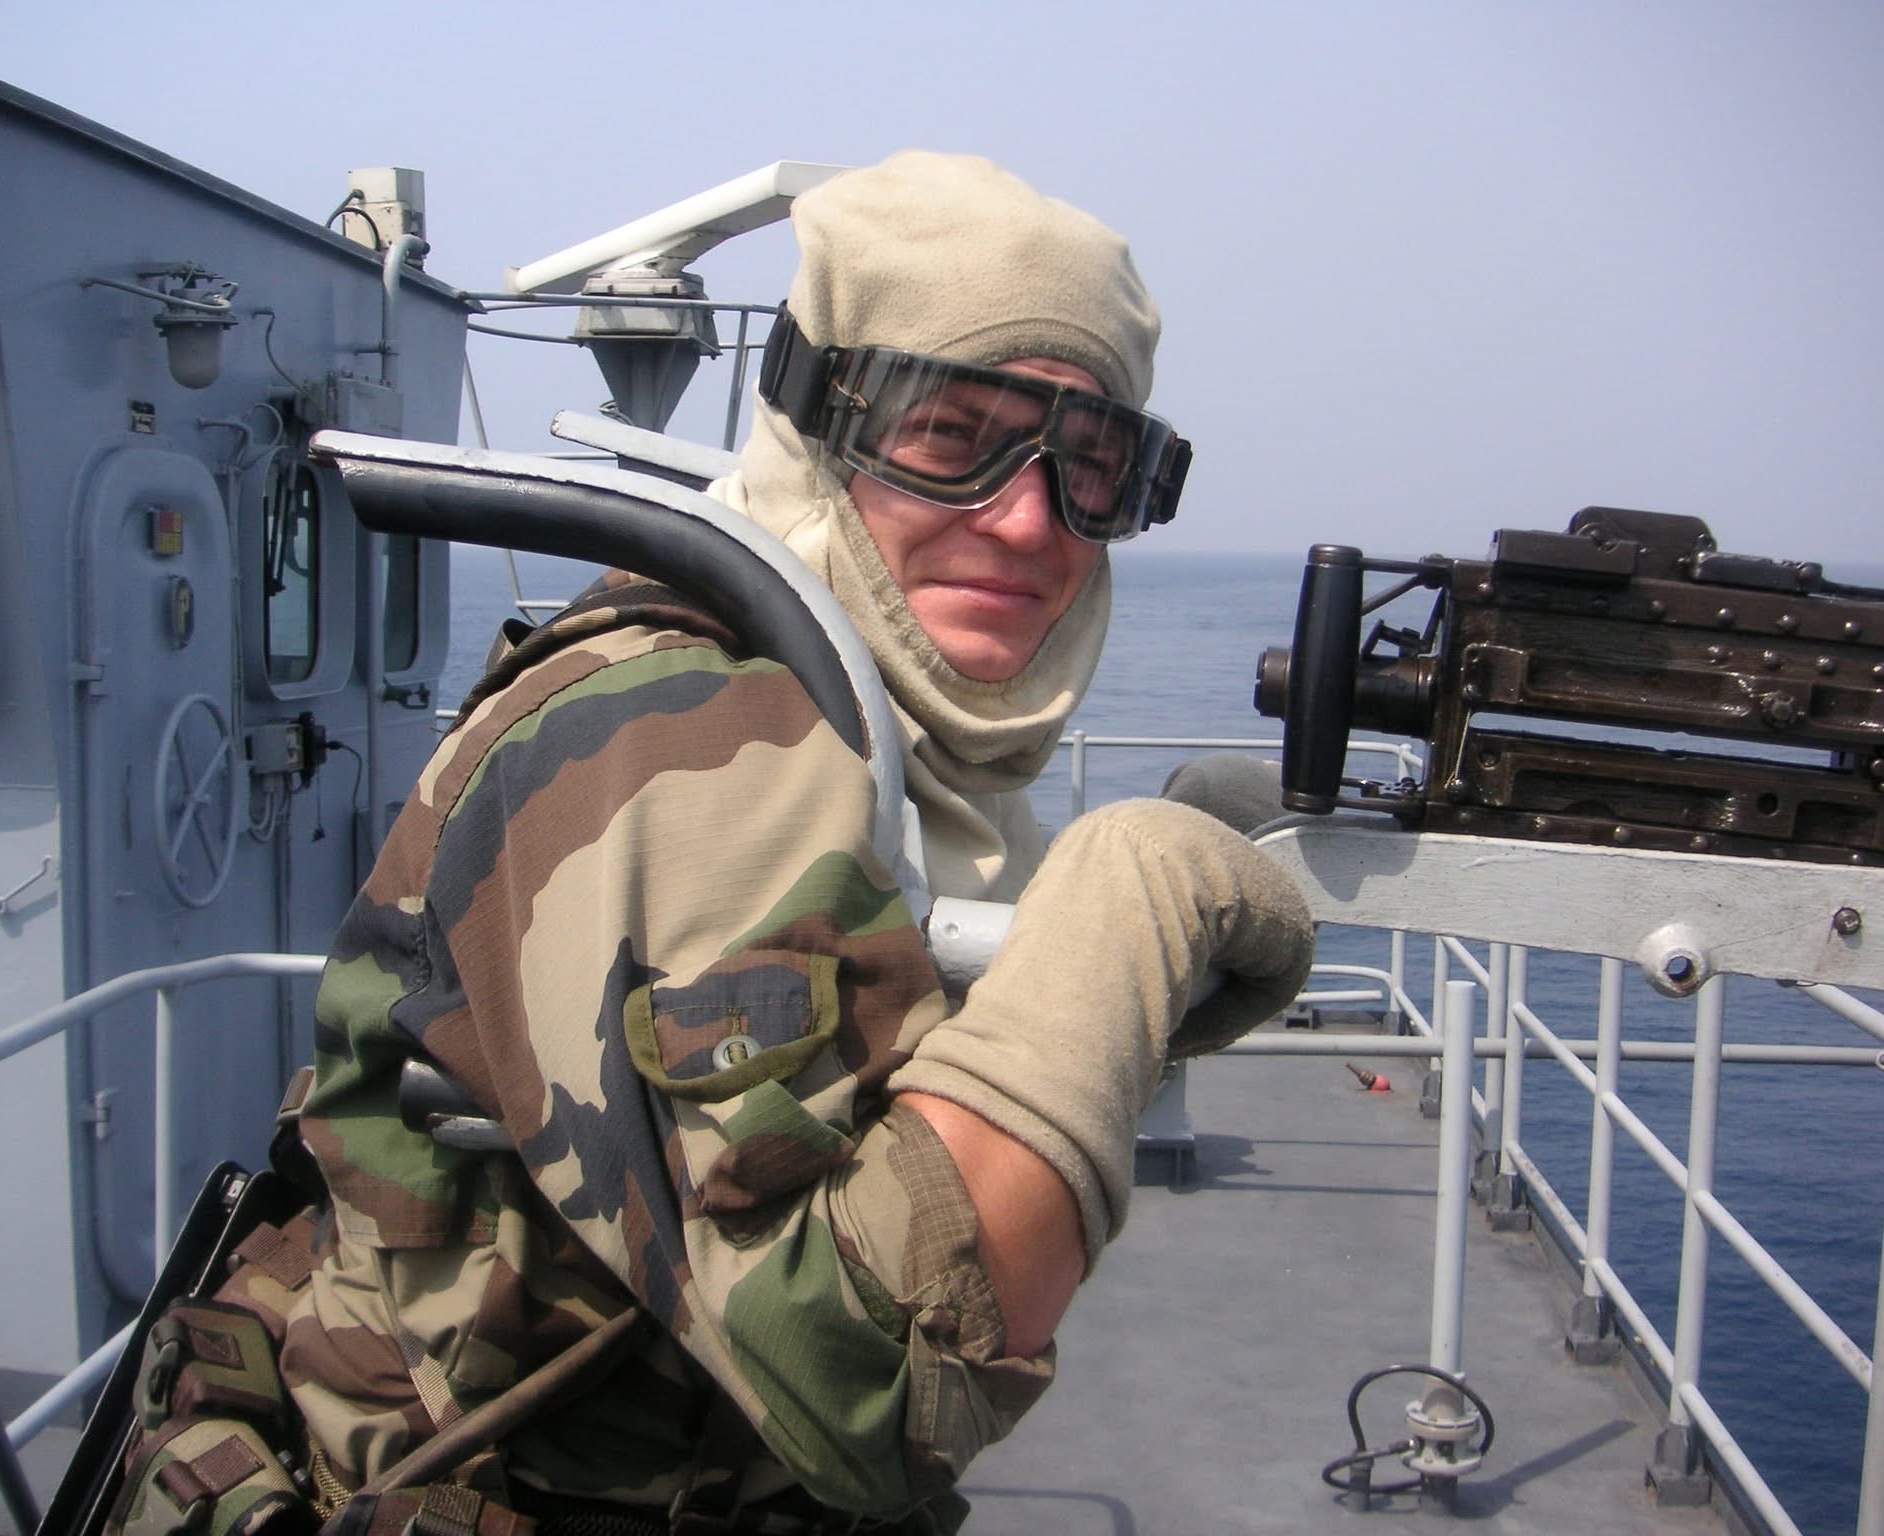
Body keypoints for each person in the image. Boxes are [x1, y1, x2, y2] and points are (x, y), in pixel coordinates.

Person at [149, 152, 1315, 1536]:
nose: (1025, 516)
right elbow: (876, 1384)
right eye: (951, 436)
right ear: (822, 431)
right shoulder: (694, 732)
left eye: (1091, 466)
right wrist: (1130, 901)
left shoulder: (885, 732)